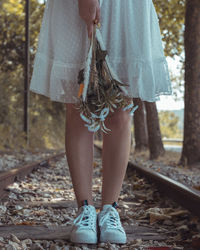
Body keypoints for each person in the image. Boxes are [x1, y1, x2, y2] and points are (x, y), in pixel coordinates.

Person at [29, 0, 173, 245]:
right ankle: (85, 209)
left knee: (120, 108)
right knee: (79, 105)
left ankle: (110, 210)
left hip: (127, 7)